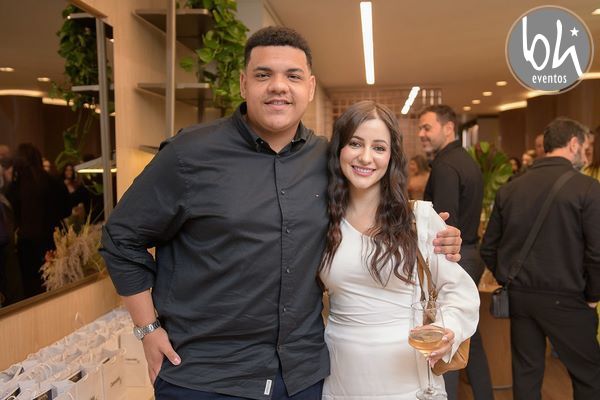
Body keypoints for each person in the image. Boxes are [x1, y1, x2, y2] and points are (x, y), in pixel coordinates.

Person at [100, 26, 463, 400]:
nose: (278, 86)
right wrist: (147, 329)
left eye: (292, 76)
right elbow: (121, 237)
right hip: (206, 377)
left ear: (310, 87)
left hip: (300, 377)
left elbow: (373, 203)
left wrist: (430, 233)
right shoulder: (189, 154)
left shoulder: (328, 160)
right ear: (243, 84)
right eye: (263, 75)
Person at [319, 101, 479, 399]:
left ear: (392, 156)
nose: (366, 157)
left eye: (379, 147)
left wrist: (447, 330)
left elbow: (459, 292)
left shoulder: (419, 219)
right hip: (341, 383)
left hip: (410, 385)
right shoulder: (322, 222)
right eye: (355, 143)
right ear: (339, 148)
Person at [481, 118, 600, 400]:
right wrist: (593, 295)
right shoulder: (588, 188)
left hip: (521, 297)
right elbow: (596, 253)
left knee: (526, 375)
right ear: (573, 144)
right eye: (585, 148)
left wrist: (508, 279)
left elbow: (489, 248)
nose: (586, 156)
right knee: (589, 377)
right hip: (570, 297)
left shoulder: (510, 188)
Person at [417, 105, 494, 400]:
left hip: (453, 257)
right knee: (467, 335)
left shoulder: (446, 166)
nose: (422, 134)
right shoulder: (464, 160)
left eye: (427, 127)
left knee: (444, 336)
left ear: (448, 127)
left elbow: (443, 224)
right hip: (469, 254)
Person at [6, 143, 70, 297]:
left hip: (26, 248)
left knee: (32, 293)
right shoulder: (53, 182)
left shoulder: (14, 188)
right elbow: (66, 210)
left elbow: (10, 219)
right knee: (56, 289)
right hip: (53, 242)